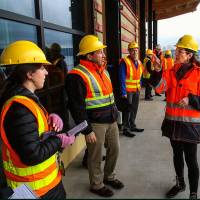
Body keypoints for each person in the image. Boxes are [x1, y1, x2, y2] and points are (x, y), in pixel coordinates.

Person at [0, 40, 75, 199]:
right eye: (41, 68)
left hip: (42, 187)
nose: (47, 72)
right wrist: (59, 141)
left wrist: (50, 120)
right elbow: (32, 155)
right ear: (29, 74)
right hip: (36, 191)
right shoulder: (19, 108)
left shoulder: (24, 100)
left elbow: (31, 132)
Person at [150, 35, 200, 199]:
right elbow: (159, 89)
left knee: (191, 160)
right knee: (177, 156)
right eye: (177, 50)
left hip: (189, 126)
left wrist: (191, 99)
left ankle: (193, 193)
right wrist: (157, 70)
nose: (176, 53)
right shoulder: (170, 71)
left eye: (180, 51)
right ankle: (180, 184)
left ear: (190, 55)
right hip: (172, 124)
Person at [65, 35, 124, 197]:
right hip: (95, 124)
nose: (103, 55)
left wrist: (116, 115)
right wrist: (87, 130)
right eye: (99, 52)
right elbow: (76, 107)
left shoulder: (103, 71)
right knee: (95, 156)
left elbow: (110, 96)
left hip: (111, 120)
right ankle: (97, 185)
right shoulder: (76, 76)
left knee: (115, 150)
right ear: (89, 55)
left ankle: (109, 176)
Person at [119, 41, 145, 137]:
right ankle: (126, 128)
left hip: (136, 90)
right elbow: (121, 78)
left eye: (136, 50)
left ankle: (132, 125)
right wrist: (123, 92)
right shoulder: (124, 62)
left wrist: (140, 86)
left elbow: (140, 76)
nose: (135, 52)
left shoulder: (139, 62)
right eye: (132, 50)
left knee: (134, 109)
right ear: (129, 51)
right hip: (128, 91)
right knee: (127, 110)